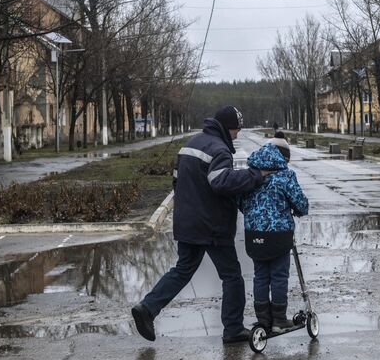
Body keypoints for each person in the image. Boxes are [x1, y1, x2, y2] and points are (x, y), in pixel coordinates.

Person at [131, 106, 269, 344]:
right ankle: (233, 329)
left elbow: (176, 179)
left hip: (188, 222)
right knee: (232, 276)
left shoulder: (191, 143)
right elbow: (220, 182)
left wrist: (191, 205)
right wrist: (255, 176)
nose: (237, 134)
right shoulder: (220, 150)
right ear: (228, 127)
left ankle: (147, 308)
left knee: (182, 270)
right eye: (236, 129)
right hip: (211, 226)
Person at [239, 132, 309, 334]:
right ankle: (279, 319)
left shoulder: (250, 173)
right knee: (278, 276)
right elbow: (301, 204)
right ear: (283, 157)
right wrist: (297, 210)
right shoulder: (285, 175)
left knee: (260, 276)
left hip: (254, 235)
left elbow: (240, 200)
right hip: (278, 235)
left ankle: (263, 320)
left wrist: (254, 215)